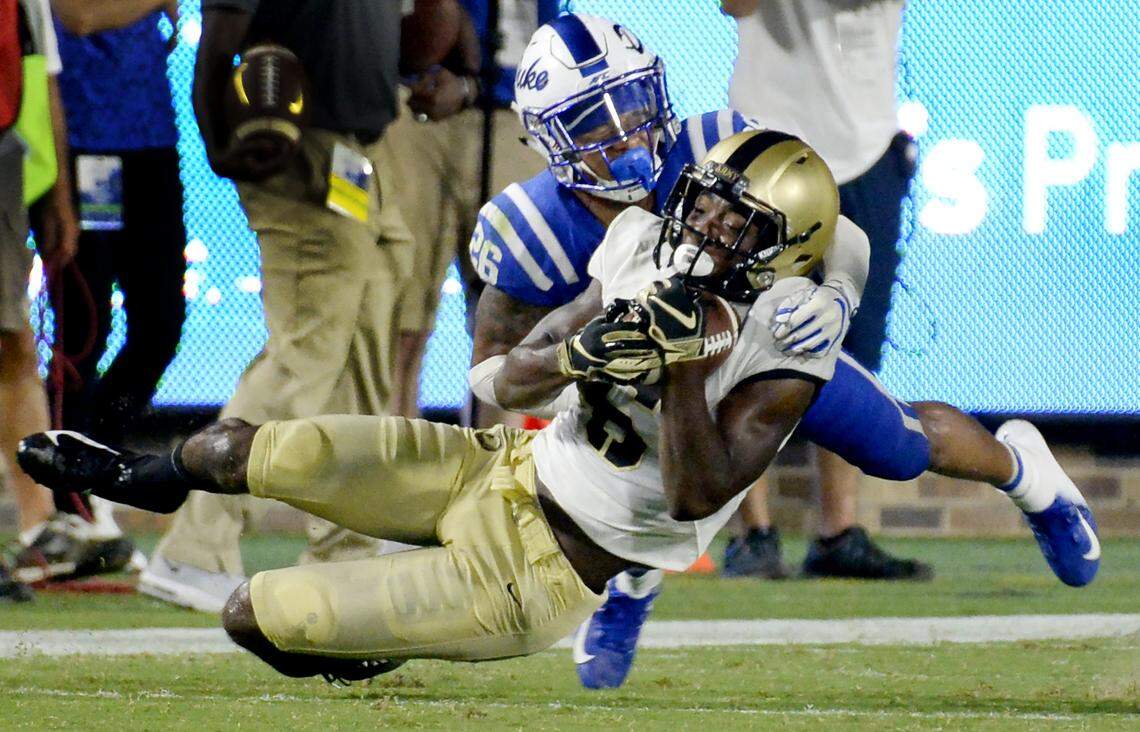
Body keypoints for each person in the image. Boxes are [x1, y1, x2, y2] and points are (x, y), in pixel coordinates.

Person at [16, 130, 1099, 682]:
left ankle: (1022, 466)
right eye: (705, 213)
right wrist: (591, 348)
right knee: (230, 447)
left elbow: (696, 487)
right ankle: (116, 477)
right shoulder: (636, 231)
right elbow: (502, 379)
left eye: (737, 232)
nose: (707, 236)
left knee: (902, 443)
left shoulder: (783, 336)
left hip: (552, 562)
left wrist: (698, 354)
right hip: (509, 472)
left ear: (780, 253)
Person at [461, 13, 866, 689]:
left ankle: (1023, 475)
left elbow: (837, 224)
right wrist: (576, 375)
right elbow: (489, 372)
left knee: (902, 443)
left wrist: (841, 293)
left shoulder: (712, 141)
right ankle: (630, 583)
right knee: (622, 479)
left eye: (635, 101)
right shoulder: (526, 225)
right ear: (548, 138)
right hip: (616, 379)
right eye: (594, 119)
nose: (626, 130)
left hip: (756, 357)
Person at [139, 0, 417, 612]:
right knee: (305, 357)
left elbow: (416, 38)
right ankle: (196, 545)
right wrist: (218, 142)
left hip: (363, 156)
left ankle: (346, 553)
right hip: (302, 151)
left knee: (359, 367)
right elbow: (220, 38)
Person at [720, 0, 924, 582]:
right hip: (765, 137)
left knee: (855, 344)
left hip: (864, 144)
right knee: (741, 332)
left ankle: (838, 531)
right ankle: (751, 533)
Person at [3, 0, 135, 598]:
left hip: (8, 167)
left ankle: (38, 530)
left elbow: (41, 79)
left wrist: (56, 197)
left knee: (13, 345)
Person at [384, 0, 557, 419]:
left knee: (511, 326)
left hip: (515, 105)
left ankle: (492, 474)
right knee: (401, 316)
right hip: (414, 96)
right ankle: (390, 467)